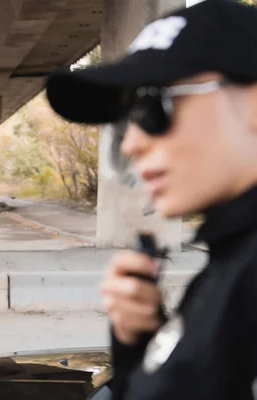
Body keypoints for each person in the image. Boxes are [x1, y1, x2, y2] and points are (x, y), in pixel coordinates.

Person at [45, 0, 257, 399]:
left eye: (152, 104)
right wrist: (146, 344)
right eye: (125, 119)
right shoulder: (231, 262)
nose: (132, 142)